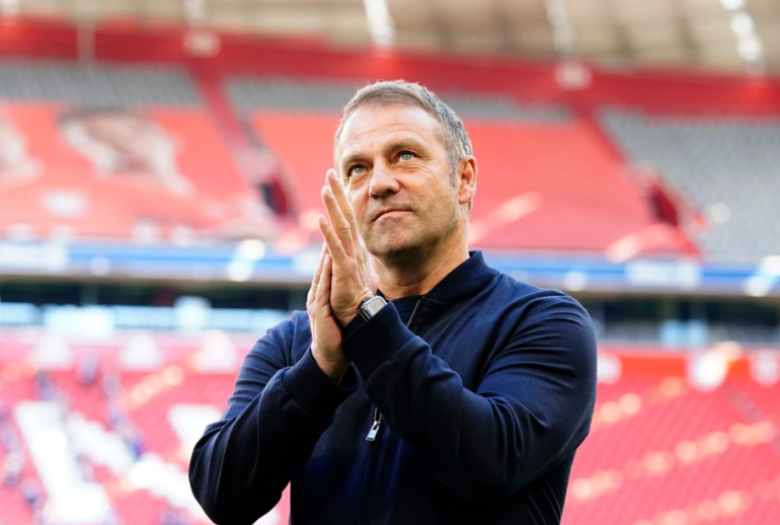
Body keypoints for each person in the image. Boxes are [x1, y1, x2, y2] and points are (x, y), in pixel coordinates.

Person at [189, 80, 597, 525]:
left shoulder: (541, 322)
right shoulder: (296, 342)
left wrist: (367, 323)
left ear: (463, 179)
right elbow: (221, 495)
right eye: (357, 169)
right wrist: (320, 370)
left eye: (404, 155)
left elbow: (491, 462)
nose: (380, 183)